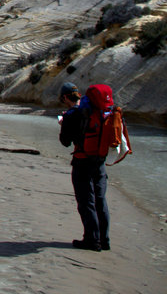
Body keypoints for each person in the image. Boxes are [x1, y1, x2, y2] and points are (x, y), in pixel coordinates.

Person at [58, 81, 111, 252]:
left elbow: (65, 142)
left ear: (65, 97)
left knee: (86, 200)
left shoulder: (73, 114)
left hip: (82, 161)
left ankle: (91, 239)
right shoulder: (100, 112)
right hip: (100, 161)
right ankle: (104, 240)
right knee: (100, 199)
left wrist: (63, 123)